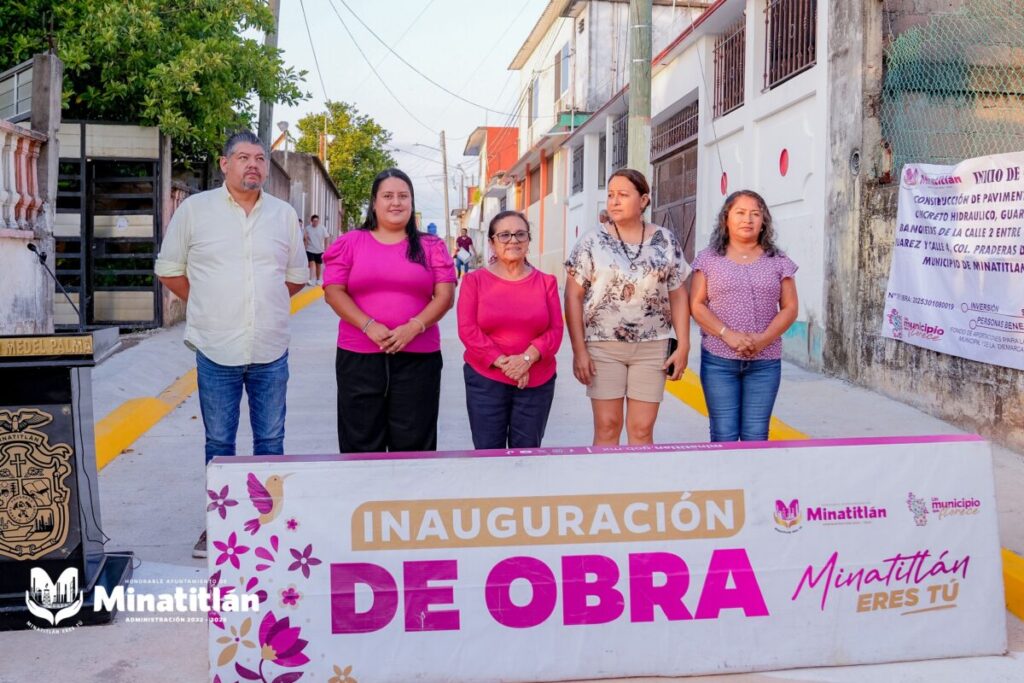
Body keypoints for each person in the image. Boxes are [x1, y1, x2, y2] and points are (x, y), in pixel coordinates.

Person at [155, 131, 307, 558]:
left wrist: (263, 306)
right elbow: (169, 270)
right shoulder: (195, 210)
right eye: (243, 157)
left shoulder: (283, 215)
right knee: (219, 442)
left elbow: (295, 277)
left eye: (260, 158)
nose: (253, 165)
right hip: (215, 345)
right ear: (225, 164)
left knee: (271, 439)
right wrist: (206, 303)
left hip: (270, 346)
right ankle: (219, 524)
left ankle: (269, 523)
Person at [322, 168, 456, 453]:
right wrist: (368, 325)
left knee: (414, 440)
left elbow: (444, 296)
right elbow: (334, 292)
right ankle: (363, 497)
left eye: (403, 196)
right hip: (359, 356)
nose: (396, 202)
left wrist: (414, 326)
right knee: (360, 438)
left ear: (412, 202)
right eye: (388, 196)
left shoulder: (432, 246)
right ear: (374, 202)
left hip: (419, 357)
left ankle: (409, 498)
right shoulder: (350, 243)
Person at [564, 168, 691, 446]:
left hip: (652, 347)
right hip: (603, 346)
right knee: (607, 428)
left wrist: (684, 344)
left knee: (642, 430)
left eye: (623, 195)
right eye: (610, 195)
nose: (614, 201)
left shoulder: (665, 241)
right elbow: (572, 296)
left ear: (644, 200)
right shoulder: (592, 241)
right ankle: (605, 489)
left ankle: (639, 489)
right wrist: (579, 350)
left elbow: (678, 293)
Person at [689, 190, 798, 442]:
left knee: (757, 435)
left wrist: (762, 339)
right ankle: (726, 482)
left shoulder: (778, 260)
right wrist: (729, 335)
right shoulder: (708, 259)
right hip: (719, 360)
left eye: (755, 214)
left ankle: (753, 482)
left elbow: (790, 308)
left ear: (764, 222)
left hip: (765, 362)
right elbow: (696, 304)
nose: (747, 219)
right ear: (726, 219)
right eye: (740, 213)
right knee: (723, 434)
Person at [457, 211, 563, 449]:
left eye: (520, 234)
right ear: (492, 242)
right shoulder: (474, 282)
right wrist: (506, 364)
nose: (513, 240)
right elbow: (467, 330)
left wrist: (527, 359)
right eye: (504, 235)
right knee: (488, 453)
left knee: (526, 455)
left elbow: (555, 330)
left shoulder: (546, 282)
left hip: (536, 381)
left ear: (528, 241)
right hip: (486, 380)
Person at [303, 214, 328, 285]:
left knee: (318, 265)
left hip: (319, 250)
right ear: (311, 221)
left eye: (317, 221)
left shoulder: (322, 228)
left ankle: (318, 279)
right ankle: (311, 279)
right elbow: (305, 238)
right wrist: (305, 246)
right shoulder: (308, 228)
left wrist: (326, 248)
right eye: (314, 221)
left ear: (319, 221)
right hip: (310, 249)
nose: (315, 222)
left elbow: (327, 237)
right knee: (312, 264)